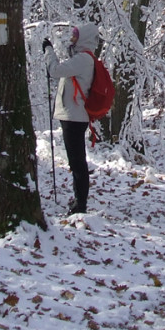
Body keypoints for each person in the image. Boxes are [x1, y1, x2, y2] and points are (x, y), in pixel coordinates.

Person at [43, 23, 100, 215]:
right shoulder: (82, 58)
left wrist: (48, 51)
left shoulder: (83, 59)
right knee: (76, 160)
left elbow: (55, 71)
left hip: (74, 117)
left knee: (77, 161)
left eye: (76, 36)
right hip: (74, 116)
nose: (72, 38)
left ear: (84, 38)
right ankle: (79, 201)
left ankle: (80, 204)